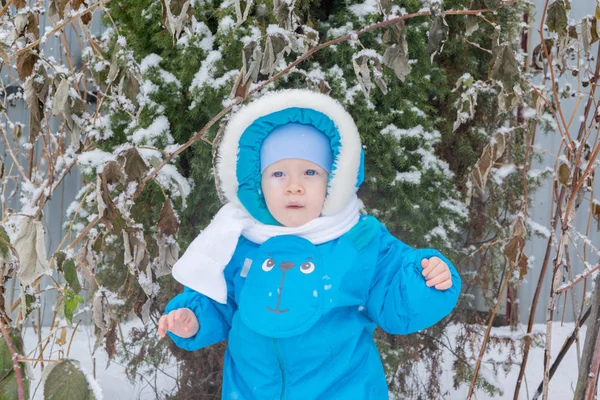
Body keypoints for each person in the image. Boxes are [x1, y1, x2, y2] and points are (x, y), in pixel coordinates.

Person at [158, 89, 461, 399]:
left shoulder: (358, 241)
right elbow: (221, 303)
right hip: (251, 390)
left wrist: (426, 281)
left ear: (333, 180)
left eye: (310, 172)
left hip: (343, 389)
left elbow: (396, 299)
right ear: (256, 183)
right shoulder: (239, 239)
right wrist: (193, 319)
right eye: (277, 173)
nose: (294, 187)